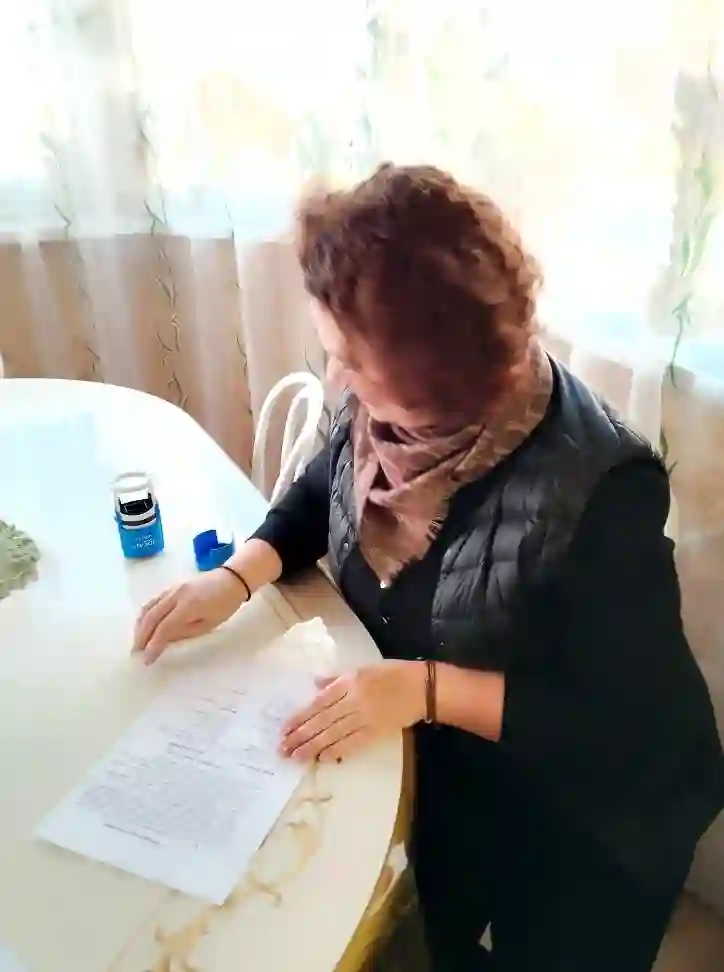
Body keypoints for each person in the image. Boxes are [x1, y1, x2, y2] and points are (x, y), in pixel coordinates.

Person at [133, 164, 724, 971]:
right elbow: (327, 485)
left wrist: (423, 688)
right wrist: (237, 576)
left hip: (602, 812)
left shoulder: (603, 493)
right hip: (460, 768)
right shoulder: (394, 408)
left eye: (350, 362)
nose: (335, 378)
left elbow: (617, 724)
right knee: (430, 932)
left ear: (436, 381)